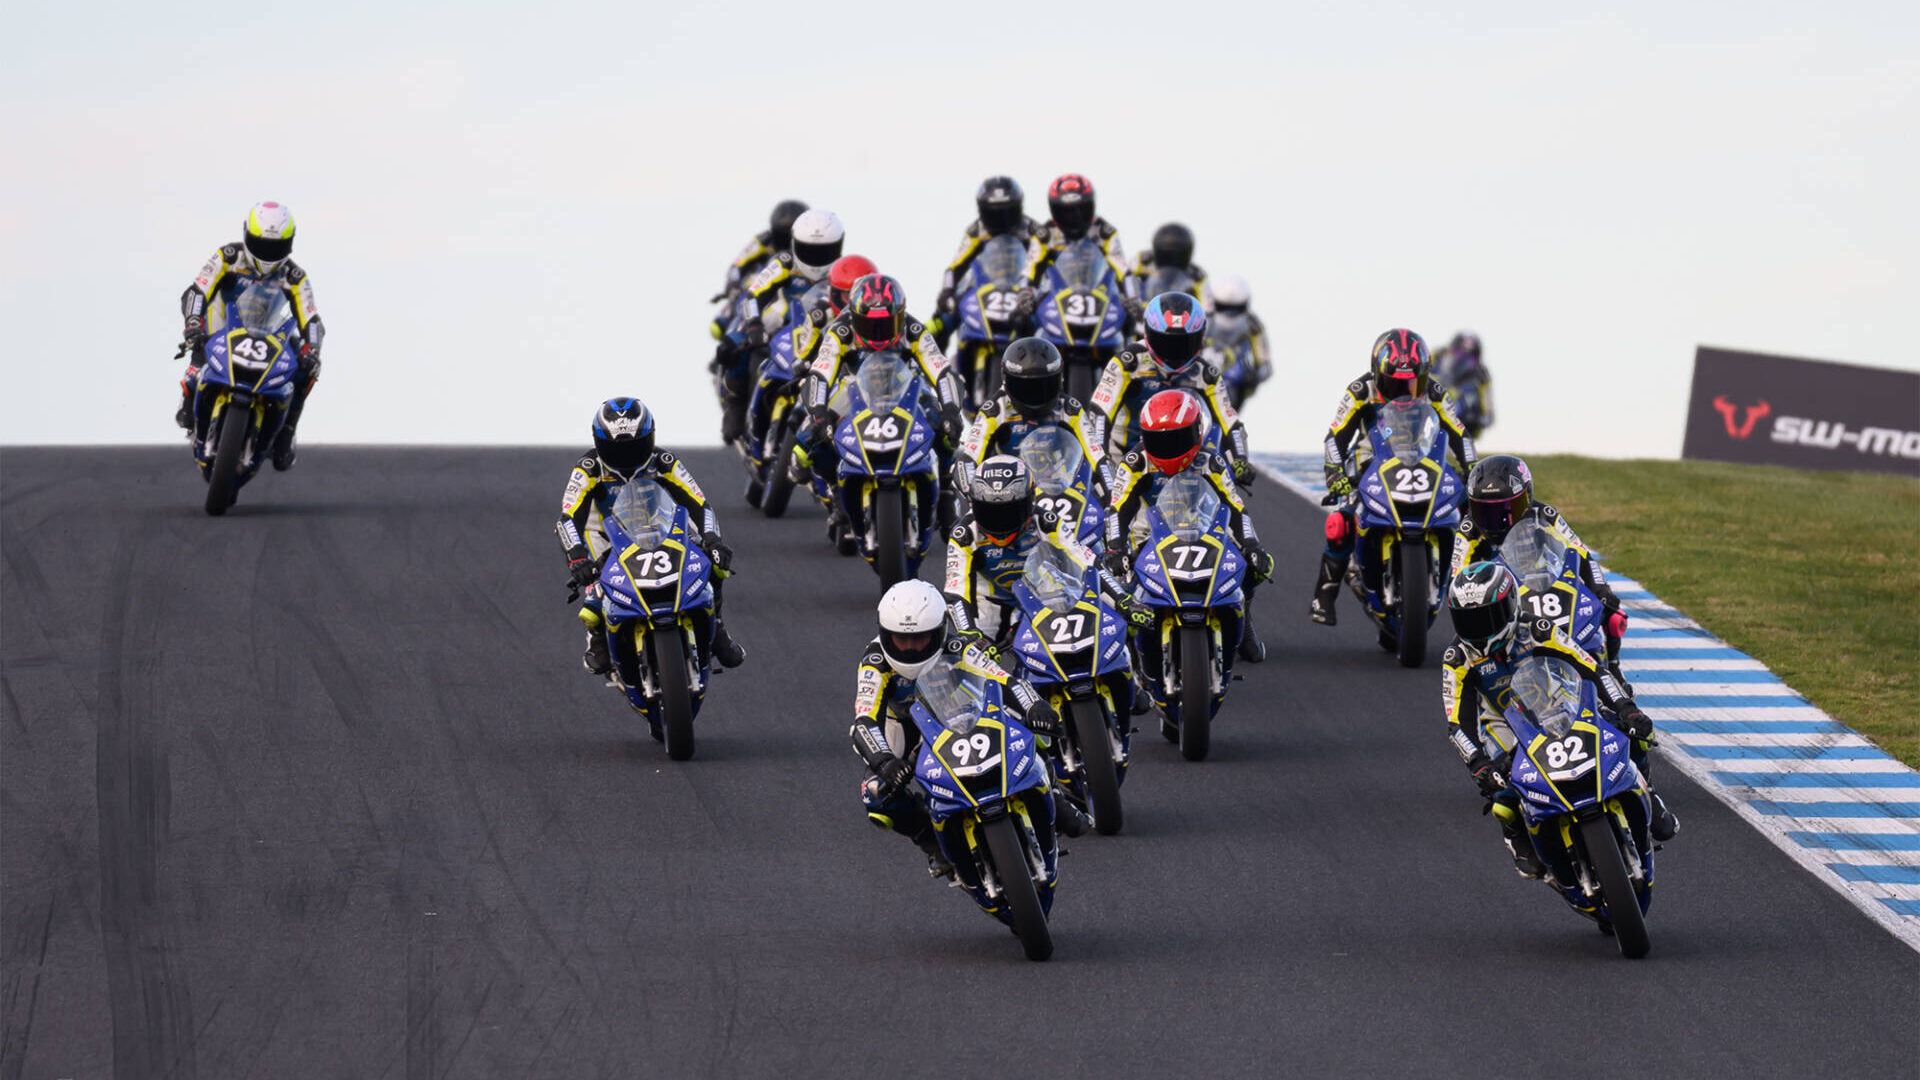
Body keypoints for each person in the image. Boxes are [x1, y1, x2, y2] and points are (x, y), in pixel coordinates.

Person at [1442, 563, 1677, 880]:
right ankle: (1516, 836)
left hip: (1557, 701)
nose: (1478, 628)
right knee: (1500, 787)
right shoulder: (1458, 658)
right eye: (1468, 620)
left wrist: (1625, 708)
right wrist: (1478, 764)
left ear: (1511, 605)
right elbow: (1457, 724)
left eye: (1487, 616)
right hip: (1504, 723)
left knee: (1627, 730)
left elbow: (1591, 668)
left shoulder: (1537, 629)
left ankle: (1649, 791)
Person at [852, 579, 1076, 874]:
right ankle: (932, 842)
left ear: (939, 630)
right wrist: (885, 762)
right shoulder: (875, 662)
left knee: (1022, 722)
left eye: (920, 639)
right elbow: (864, 721)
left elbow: (1004, 679)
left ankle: (1050, 788)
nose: (910, 648)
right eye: (901, 640)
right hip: (903, 723)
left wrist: (1034, 705)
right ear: (884, 634)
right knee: (875, 792)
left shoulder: (956, 644)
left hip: (957, 706)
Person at [559, 399, 746, 687]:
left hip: (660, 526)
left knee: (712, 563)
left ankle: (717, 626)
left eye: (634, 446)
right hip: (605, 536)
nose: (625, 456)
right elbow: (567, 518)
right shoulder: (588, 468)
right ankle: (597, 639)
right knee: (594, 595)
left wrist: (712, 540)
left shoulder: (663, 461)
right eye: (616, 448)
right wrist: (577, 557)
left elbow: (699, 503)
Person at [1309, 328, 1477, 626]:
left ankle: (1478, 573)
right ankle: (1324, 595)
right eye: (1394, 383)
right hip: (1370, 462)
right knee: (1340, 522)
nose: (1403, 391)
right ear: (1377, 374)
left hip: (1424, 458)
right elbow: (1335, 437)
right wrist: (1334, 474)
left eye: (1411, 383)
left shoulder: (1435, 392)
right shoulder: (1360, 391)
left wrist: (1472, 468)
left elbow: (1459, 433)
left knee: (1469, 504)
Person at [1104, 390, 1275, 667]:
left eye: (1176, 439)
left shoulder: (1211, 462)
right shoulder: (1135, 463)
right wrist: (1115, 548)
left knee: (1255, 564)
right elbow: (1117, 509)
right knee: (1121, 589)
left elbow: (1235, 507)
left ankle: (1244, 618)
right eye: (1158, 441)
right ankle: (1131, 657)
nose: (1167, 448)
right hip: (1149, 536)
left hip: (1204, 530)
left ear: (1196, 433)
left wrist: (1252, 545)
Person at [176, 201, 324, 471]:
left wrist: (312, 350)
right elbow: (197, 290)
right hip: (223, 325)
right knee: (197, 360)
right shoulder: (228, 256)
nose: (268, 254)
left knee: (307, 368)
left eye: (276, 248)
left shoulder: (295, 276)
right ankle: (191, 391)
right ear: (246, 234)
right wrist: (192, 324)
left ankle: (287, 430)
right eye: (261, 245)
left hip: (270, 333)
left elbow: (311, 318)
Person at [1448, 455, 1630, 670]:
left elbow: (1579, 550)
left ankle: (1613, 667)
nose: (1496, 522)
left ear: (1527, 498)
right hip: (1498, 597)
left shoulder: (1545, 514)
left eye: (1506, 510)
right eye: (1484, 512)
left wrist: (1601, 588)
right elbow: (1457, 577)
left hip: (1543, 581)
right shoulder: (1468, 531)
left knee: (1611, 609)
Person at [791, 274, 966, 495]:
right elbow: (820, 373)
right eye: (869, 325)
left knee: (944, 424)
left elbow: (941, 370)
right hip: (854, 386)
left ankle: (945, 481)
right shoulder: (840, 331)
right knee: (811, 436)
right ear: (854, 317)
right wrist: (818, 413)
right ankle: (834, 486)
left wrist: (950, 409)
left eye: (886, 324)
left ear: (900, 316)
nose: (878, 332)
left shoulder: (913, 329)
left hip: (905, 384)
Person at [1086, 292, 1254, 486]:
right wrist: (1101, 460)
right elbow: (1100, 413)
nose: (1174, 353)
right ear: (1148, 334)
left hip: (1183, 463)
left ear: (1200, 338)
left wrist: (1240, 460)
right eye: (1165, 342)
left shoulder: (1205, 373)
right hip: (1123, 456)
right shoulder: (1128, 363)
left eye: (1183, 344)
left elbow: (1229, 421)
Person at [713, 208, 844, 443]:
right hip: (780, 323)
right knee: (731, 345)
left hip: (825, 330)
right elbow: (753, 294)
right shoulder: (784, 262)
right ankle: (736, 404)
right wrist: (754, 326)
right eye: (809, 251)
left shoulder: (844, 270)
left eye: (823, 252)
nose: (816, 259)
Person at [745, 253, 877, 452]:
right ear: (834, 293)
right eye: (846, 295)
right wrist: (802, 363)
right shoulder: (820, 312)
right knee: (805, 413)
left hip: (859, 377)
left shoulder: (878, 319)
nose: (852, 301)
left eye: (858, 295)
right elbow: (806, 344)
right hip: (825, 365)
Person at [952, 337, 1107, 493]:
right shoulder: (994, 410)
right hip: (1005, 493)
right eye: (1025, 388)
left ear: (1059, 380)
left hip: (1058, 488)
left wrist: (1112, 497)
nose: (1035, 395)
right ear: (1006, 381)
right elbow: (968, 460)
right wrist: (973, 496)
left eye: (1044, 386)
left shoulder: (1069, 409)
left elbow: (1098, 458)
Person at [930, 176, 1043, 351]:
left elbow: (1048, 263)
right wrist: (947, 291)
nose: (1001, 219)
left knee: (1045, 313)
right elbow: (955, 266)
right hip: (984, 285)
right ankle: (929, 359)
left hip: (1022, 287)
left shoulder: (1033, 230)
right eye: (993, 213)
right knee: (945, 314)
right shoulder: (976, 231)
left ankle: (1050, 360)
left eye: (1007, 212)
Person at [1013, 174, 1139, 324]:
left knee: (1130, 322)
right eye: (1065, 212)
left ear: (1091, 206)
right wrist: (1025, 294)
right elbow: (1030, 269)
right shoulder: (1045, 235)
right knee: (1021, 319)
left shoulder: (1104, 233)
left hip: (1100, 296)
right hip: (1054, 298)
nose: (1072, 218)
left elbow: (1123, 270)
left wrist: (1133, 299)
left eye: (1080, 210)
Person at [709, 198, 809, 339]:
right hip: (758, 282)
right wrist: (733, 285)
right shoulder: (763, 240)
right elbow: (737, 265)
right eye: (783, 229)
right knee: (717, 328)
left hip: (789, 288)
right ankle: (738, 332)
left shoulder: (808, 251)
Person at [1203, 274, 1272, 409]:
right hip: (1202, 372)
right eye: (1223, 307)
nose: (1230, 314)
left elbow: (1266, 365)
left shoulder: (1253, 325)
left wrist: (1253, 377)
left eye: (1237, 308)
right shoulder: (1203, 318)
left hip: (1234, 380)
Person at [1126, 222, 1208, 305]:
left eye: (1178, 255)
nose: (1172, 259)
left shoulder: (1197, 275)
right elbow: (1124, 277)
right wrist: (1132, 302)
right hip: (1144, 307)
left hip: (1179, 310)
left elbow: (1207, 306)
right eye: (1166, 256)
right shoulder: (1143, 260)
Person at [1432, 331, 1494, 438]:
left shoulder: (1481, 376)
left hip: (1462, 429)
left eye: (1470, 359)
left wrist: (1478, 419)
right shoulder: (1435, 359)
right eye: (1458, 354)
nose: (1462, 362)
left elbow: (1489, 413)